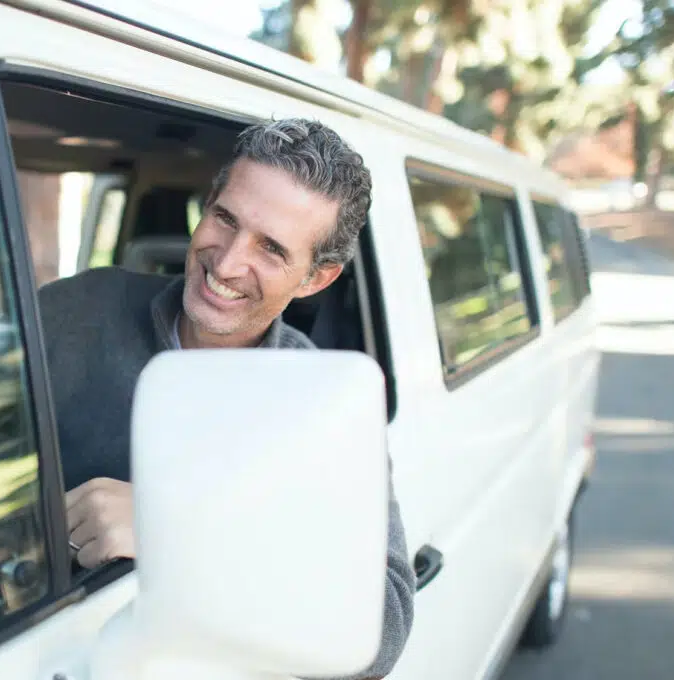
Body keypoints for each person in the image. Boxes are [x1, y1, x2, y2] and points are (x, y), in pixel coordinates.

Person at [38, 118, 415, 678]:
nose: (228, 262)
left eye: (271, 248)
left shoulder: (324, 406)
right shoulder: (77, 310)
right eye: (225, 218)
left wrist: (176, 535)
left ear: (315, 279)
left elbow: (386, 622)